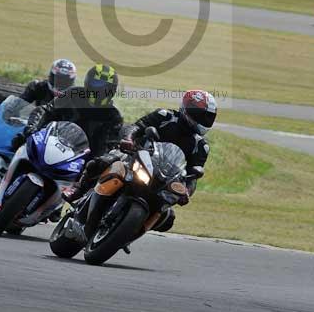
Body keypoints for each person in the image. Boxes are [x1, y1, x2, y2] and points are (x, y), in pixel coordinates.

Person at [65, 90, 217, 233]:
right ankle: (78, 189)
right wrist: (128, 139)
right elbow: (136, 126)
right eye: (201, 115)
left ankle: (129, 233)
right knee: (105, 160)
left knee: (168, 217)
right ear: (188, 109)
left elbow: (193, 175)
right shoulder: (165, 116)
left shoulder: (201, 146)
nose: (204, 120)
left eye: (208, 117)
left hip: (163, 179)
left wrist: (187, 192)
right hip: (136, 157)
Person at [12, 64, 123, 160]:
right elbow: (45, 110)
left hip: (80, 161)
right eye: (96, 84)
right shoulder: (72, 93)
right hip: (49, 145)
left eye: (104, 87)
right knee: (18, 144)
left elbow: (106, 148)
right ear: (88, 82)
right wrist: (32, 128)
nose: (99, 90)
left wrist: (94, 164)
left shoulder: (113, 116)